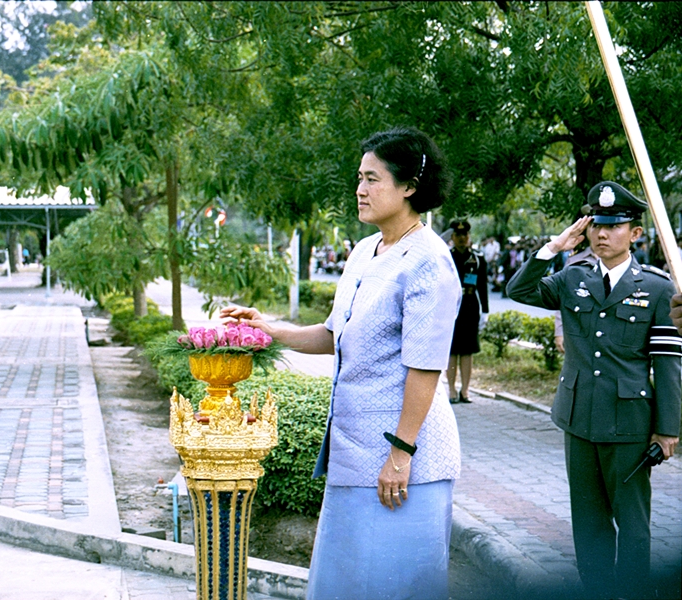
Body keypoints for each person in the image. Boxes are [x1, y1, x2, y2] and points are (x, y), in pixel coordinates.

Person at [222, 127, 462, 599]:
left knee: (396, 586)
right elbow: (336, 335)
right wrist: (268, 329)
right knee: (346, 583)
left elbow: (425, 367)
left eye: (372, 179)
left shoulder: (428, 261)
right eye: (359, 178)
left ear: (410, 186)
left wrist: (400, 455)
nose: (360, 189)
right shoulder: (364, 251)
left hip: (404, 462)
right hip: (354, 453)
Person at [506, 181, 681, 599]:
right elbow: (518, 290)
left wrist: (668, 429)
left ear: (634, 233)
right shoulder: (572, 277)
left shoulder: (657, 288)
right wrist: (554, 247)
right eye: (597, 225)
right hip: (579, 418)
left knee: (633, 523)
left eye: (614, 226)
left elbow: (667, 363)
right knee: (588, 521)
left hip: (628, 425)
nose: (602, 234)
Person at [445, 219, 488, 404]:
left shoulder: (477, 259)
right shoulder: (446, 257)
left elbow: (483, 286)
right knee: (452, 350)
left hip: (470, 305)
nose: (462, 238)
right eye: (458, 235)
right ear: (453, 237)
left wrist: (485, 311)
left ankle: (465, 390)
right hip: (450, 306)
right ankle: (452, 389)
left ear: (469, 236)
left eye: (465, 235)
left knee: (467, 351)